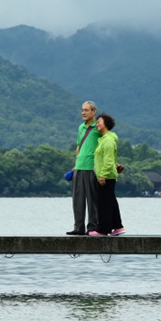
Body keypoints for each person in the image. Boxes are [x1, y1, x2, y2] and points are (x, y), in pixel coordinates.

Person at [67, 101, 101, 235]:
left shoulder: (98, 126)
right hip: (79, 167)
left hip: (91, 167)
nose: (83, 112)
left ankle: (92, 227)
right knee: (77, 199)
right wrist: (75, 164)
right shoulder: (81, 127)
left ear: (94, 111)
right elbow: (78, 147)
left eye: (86, 110)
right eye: (82, 110)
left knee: (92, 199)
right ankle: (78, 227)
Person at [89, 113, 125, 236]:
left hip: (106, 176)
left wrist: (102, 175)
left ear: (106, 124)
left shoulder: (108, 140)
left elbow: (108, 160)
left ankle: (103, 230)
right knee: (110, 202)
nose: (97, 124)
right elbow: (110, 159)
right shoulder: (105, 139)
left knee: (104, 203)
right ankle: (118, 227)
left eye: (99, 122)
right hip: (107, 175)